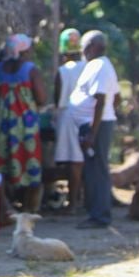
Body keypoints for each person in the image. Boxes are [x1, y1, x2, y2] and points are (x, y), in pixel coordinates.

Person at [69, 31, 121, 229]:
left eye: (83, 46)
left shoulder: (100, 66)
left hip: (95, 126)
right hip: (96, 124)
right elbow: (116, 98)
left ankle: (99, 216)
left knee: (96, 170)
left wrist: (92, 131)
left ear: (90, 46)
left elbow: (101, 100)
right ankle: (94, 211)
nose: (81, 51)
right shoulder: (101, 65)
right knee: (93, 168)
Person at [0, 34, 47, 213]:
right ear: (25, 50)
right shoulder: (31, 70)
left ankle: (4, 205)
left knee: (4, 159)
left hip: (5, 124)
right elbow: (41, 98)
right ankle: (30, 207)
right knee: (31, 159)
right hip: (26, 124)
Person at [53, 28, 87, 213]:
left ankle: (72, 203)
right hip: (87, 116)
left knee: (74, 162)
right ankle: (83, 200)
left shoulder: (62, 71)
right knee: (85, 161)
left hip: (68, 117)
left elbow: (58, 100)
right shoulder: (89, 67)